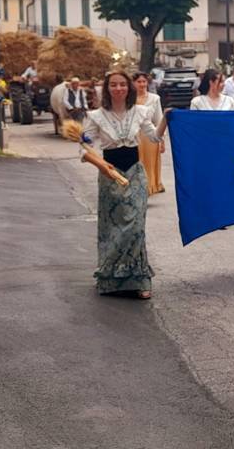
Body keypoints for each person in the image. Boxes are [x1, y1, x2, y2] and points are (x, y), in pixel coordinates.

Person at [82, 70, 169, 299]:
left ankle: (140, 280)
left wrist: (166, 119)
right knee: (112, 227)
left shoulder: (140, 111)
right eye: (113, 85)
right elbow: (84, 147)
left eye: (122, 84)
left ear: (129, 88)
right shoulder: (95, 116)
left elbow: (154, 137)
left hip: (135, 174)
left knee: (136, 227)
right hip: (109, 175)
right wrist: (102, 166)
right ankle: (111, 279)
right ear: (107, 89)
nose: (118, 88)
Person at [133, 71, 165, 195]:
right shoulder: (129, 98)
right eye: (139, 82)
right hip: (134, 136)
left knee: (149, 163)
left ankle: (149, 188)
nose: (142, 84)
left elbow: (159, 119)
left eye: (144, 81)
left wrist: (162, 140)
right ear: (133, 83)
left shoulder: (154, 98)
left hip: (150, 136)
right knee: (137, 163)